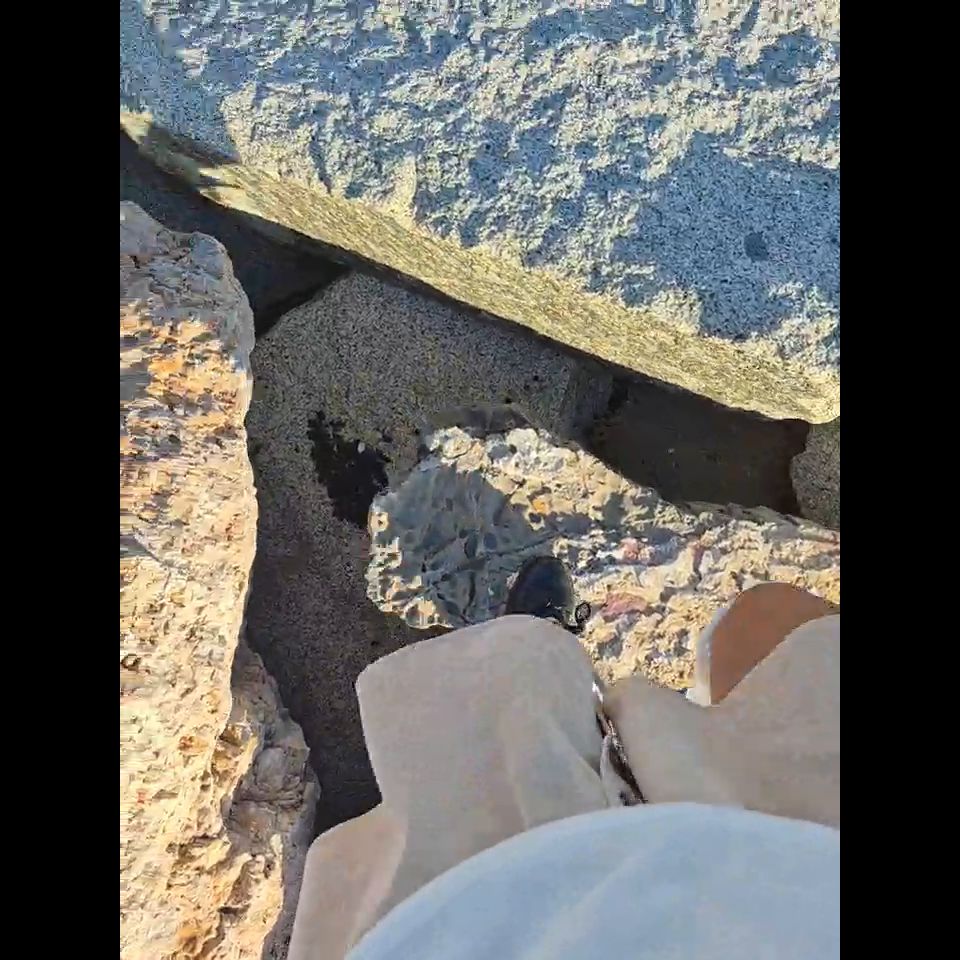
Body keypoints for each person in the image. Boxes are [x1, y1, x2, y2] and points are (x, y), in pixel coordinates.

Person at [288, 558, 840, 960]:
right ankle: (655, 718)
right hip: (784, 899)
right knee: (775, 618)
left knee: (493, 761)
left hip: (510, 915)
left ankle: (534, 662)